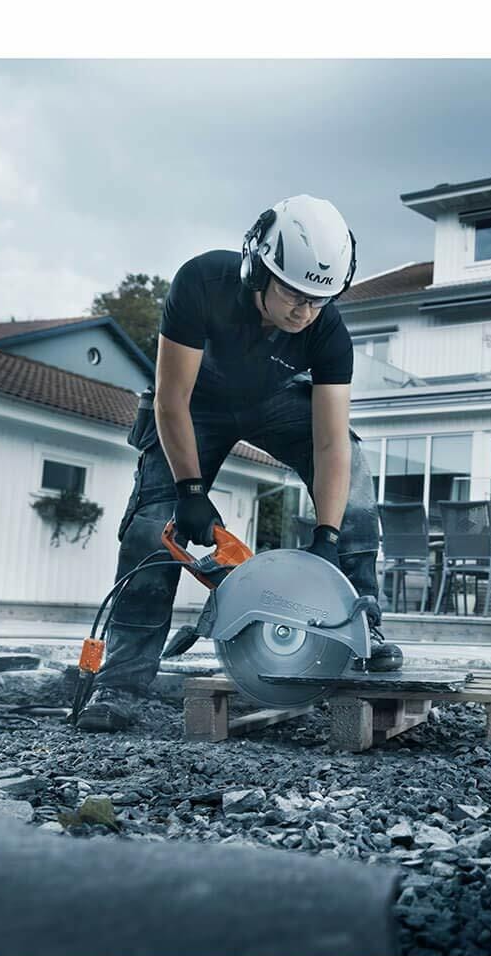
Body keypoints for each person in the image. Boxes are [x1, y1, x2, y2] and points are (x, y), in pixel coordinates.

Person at [77, 195, 399, 732]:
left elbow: (330, 446)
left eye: (319, 300)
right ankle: (120, 685)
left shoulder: (327, 330)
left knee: (355, 484)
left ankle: (362, 627)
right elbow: (170, 400)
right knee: (155, 528)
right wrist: (190, 490)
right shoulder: (202, 283)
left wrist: (328, 536)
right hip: (196, 403)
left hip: (274, 401)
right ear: (257, 268)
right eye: (294, 294)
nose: (305, 311)